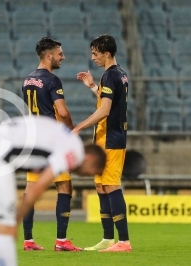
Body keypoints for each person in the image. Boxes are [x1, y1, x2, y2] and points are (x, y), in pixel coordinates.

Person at [0, 115, 107, 266]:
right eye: (93, 171)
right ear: (90, 158)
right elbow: (38, 187)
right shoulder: (74, 151)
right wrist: (16, 220)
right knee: (5, 226)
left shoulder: (64, 138)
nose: (87, 176)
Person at [21, 37, 81, 251]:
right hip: (50, 140)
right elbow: (63, 112)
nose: (62, 57)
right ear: (49, 56)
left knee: (30, 190)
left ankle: (28, 241)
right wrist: (71, 132)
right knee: (64, 186)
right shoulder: (52, 80)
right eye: (60, 54)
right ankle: (61, 241)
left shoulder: (27, 80)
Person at [74, 34, 131, 252]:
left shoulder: (110, 75)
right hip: (106, 138)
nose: (93, 58)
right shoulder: (119, 74)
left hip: (111, 139)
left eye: (95, 53)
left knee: (111, 185)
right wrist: (91, 87)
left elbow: (105, 110)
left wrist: (79, 127)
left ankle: (123, 241)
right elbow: (110, 102)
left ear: (107, 53)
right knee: (101, 186)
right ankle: (108, 238)